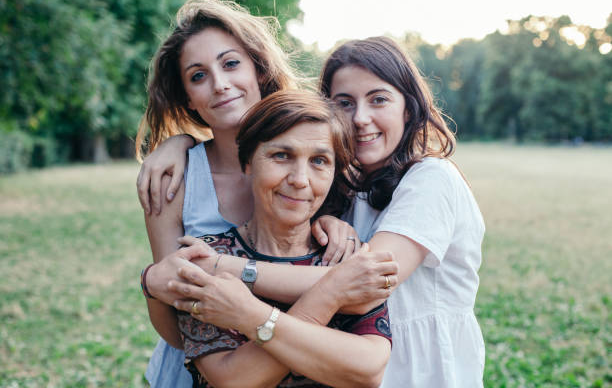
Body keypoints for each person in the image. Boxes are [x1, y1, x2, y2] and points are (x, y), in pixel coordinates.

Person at [140, 36, 486, 386]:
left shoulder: (432, 178)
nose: (361, 118)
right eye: (345, 103)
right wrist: (178, 142)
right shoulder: (347, 186)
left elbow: (366, 283)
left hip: (420, 369)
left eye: (378, 99)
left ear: (408, 108)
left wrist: (225, 272)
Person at [137, 0, 368, 387]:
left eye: (230, 64)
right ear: (186, 98)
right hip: (208, 367)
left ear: (259, 69)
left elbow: (353, 292)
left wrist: (330, 221)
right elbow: (176, 304)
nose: (220, 84)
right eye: (198, 76)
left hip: (305, 361)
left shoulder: (311, 153)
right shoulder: (173, 178)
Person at [145, 90, 394, 387]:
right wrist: (330, 294)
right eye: (281, 156)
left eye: (319, 161)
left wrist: (249, 314)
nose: (300, 179)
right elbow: (233, 379)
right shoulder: (205, 257)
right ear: (247, 162)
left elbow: (367, 370)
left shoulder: (346, 258)